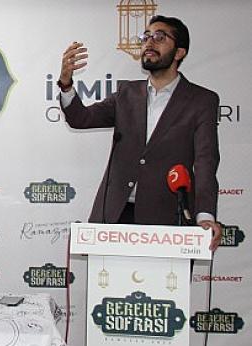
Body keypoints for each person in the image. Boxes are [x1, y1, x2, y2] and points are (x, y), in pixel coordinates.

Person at [57, 15, 221, 251]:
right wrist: (66, 84)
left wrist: (205, 215)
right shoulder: (127, 93)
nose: (149, 43)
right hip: (114, 216)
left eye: (159, 37)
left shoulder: (201, 101)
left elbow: (206, 161)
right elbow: (80, 119)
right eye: (145, 37)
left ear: (179, 52)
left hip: (167, 220)